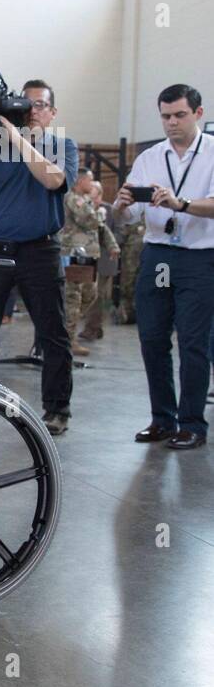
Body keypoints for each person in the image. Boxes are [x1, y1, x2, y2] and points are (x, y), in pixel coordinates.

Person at [0, 78, 77, 435]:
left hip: (39, 251)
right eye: (27, 104)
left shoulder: (62, 145)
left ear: (53, 112)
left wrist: (15, 134)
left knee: (52, 333)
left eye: (41, 105)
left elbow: (53, 181)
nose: (33, 110)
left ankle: (57, 409)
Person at [115, 84, 214, 450]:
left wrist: (180, 203)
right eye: (166, 116)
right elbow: (126, 217)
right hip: (159, 255)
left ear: (198, 114)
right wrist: (123, 205)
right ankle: (162, 419)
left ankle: (192, 423)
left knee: (192, 341)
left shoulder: (212, 152)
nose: (172, 122)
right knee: (153, 337)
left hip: (199, 257)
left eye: (179, 115)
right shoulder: (150, 157)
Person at [60, 170, 116, 357]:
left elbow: (100, 229)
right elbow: (89, 221)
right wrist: (99, 213)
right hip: (75, 255)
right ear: (81, 181)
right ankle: (68, 339)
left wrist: (112, 246)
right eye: (90, 181)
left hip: (88, 257)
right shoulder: (74, 199)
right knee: (73, 299)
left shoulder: (86, 201)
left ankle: (67, 330)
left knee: (89, 295)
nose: (92, 185)